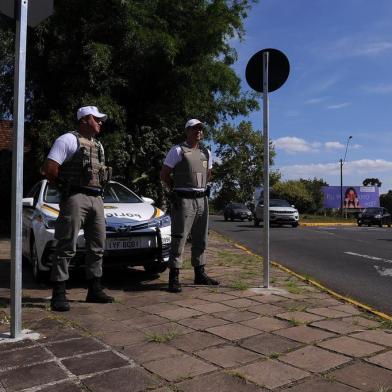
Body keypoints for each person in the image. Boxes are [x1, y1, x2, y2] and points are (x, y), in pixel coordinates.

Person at [42, 106, 114, 311]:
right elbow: (50, 168)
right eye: (96, 119)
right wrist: (65, 189)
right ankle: (59, 292)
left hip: (96, 197)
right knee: (66, 244)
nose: (100, 122)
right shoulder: (67, 140)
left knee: (97, 245)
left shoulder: (99, 146)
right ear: (84, 119)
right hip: (75, 196)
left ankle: (94, 289)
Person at [160, 119, 219, 293]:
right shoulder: (178, 150)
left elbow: (208, 173)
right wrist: (175, 190)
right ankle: (174, 277)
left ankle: (200, 273)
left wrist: (201, 186)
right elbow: (164, 174)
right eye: (195, 129)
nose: (198, 132)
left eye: (200, 129)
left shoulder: (206, 152)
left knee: (201, 238)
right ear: (187, 131)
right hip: (184, 199)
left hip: (202, 199)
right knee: (179, 238)